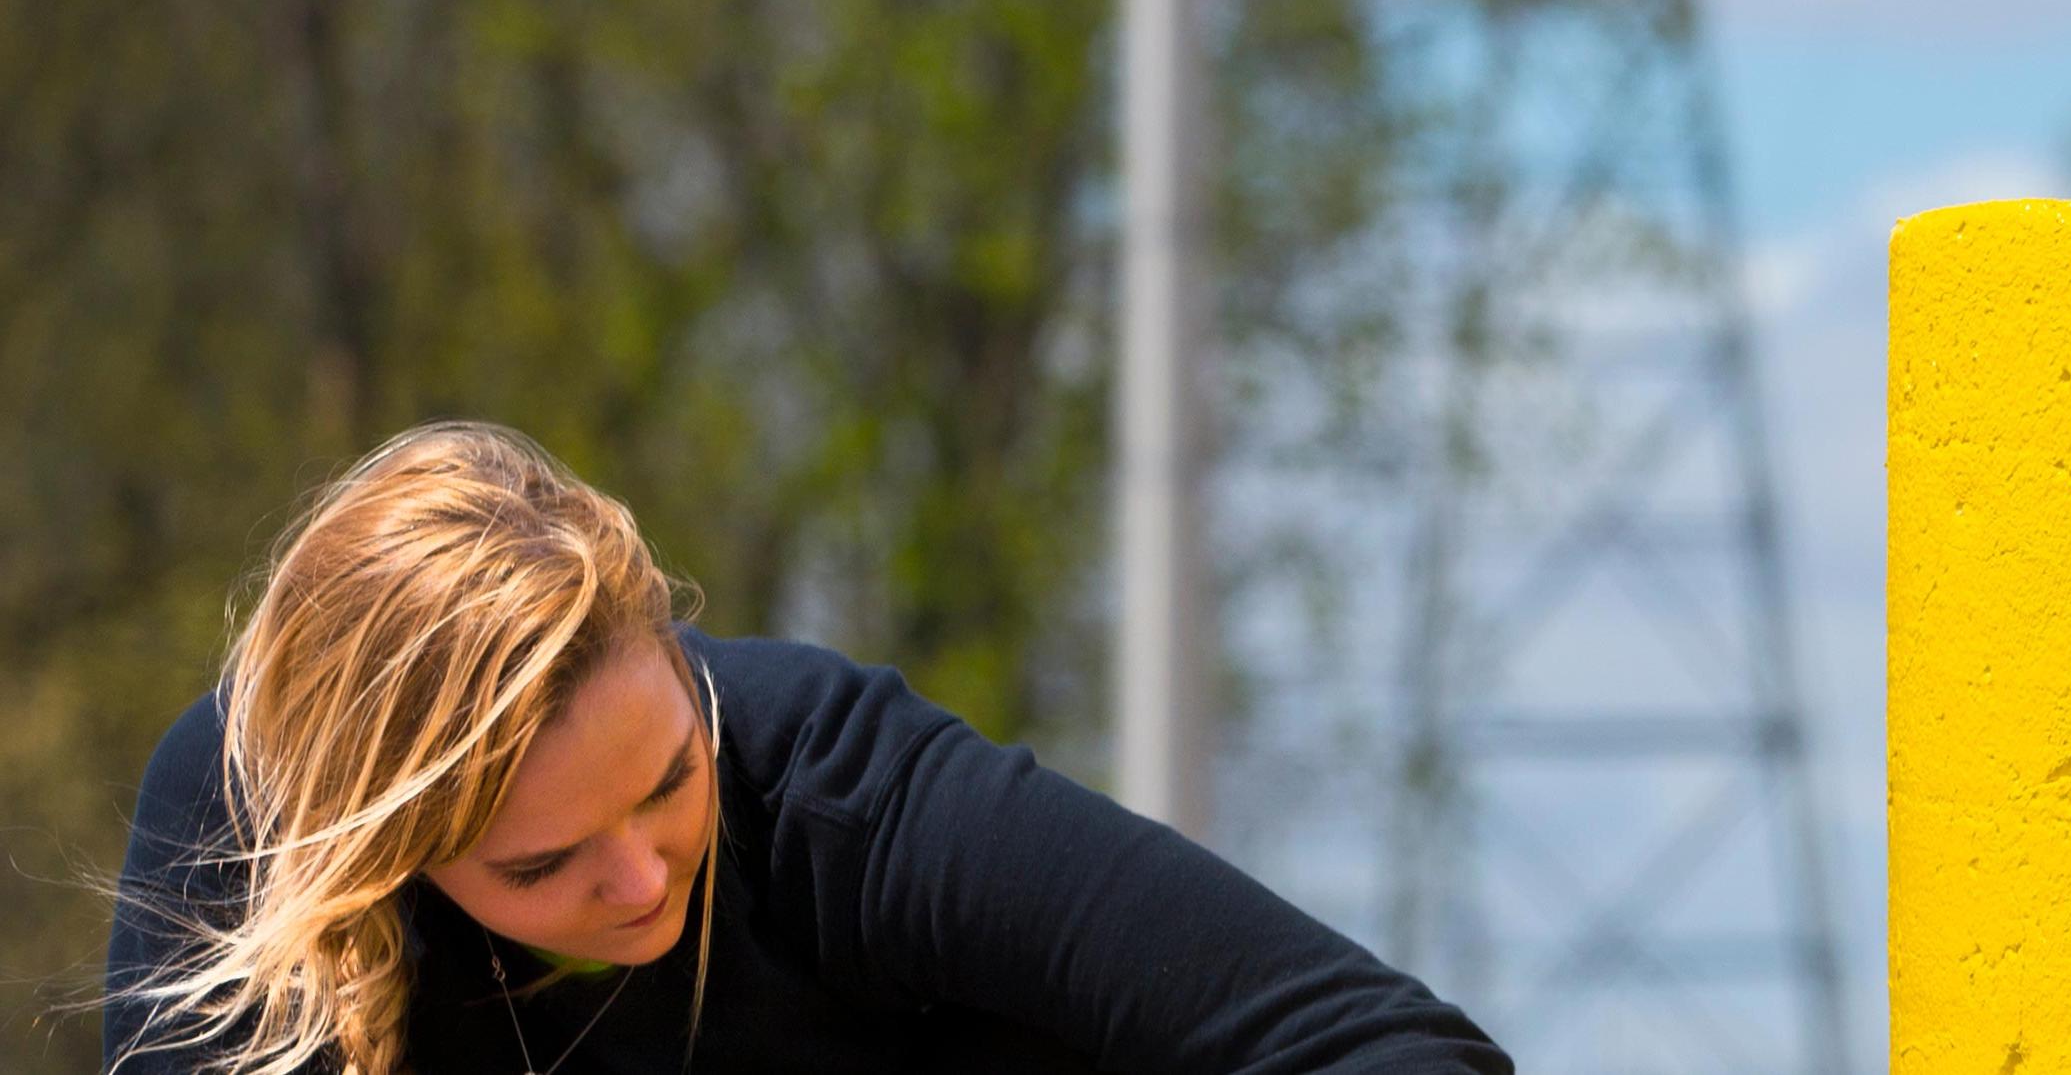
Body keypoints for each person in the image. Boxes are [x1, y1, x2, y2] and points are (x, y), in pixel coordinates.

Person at [102, 421, 1507, 1073]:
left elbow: (1378, 1043)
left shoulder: (835, 783)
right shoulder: (247, 828)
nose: (643, 878)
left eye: (667, 786)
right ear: (371, 858)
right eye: (546, 865)